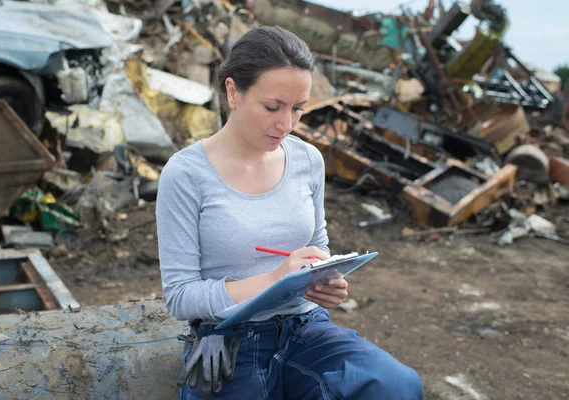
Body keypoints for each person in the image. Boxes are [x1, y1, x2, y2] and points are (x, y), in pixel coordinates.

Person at [156, 25, 424, 400]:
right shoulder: (185, 174)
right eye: (272, 107)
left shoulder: (307, 160)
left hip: (304, 327)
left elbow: (316, 243)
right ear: (233, 91)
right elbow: (181, 296)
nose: (287, 124)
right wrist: (275, 278)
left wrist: (326, 279)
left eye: (298, 108)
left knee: (396, 385)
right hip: (227, 339)